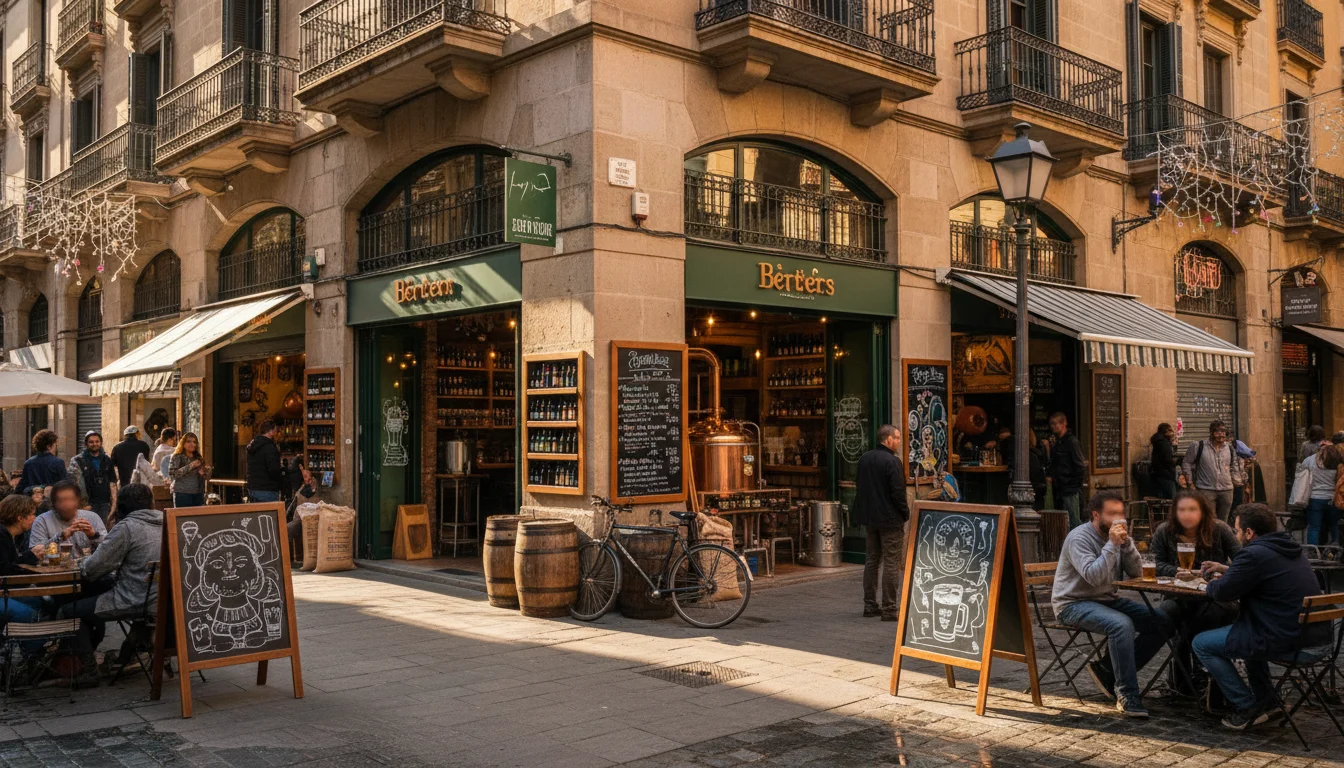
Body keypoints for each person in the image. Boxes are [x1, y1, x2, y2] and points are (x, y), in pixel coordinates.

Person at [1192, 504, 1334, 730]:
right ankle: (1267, 702)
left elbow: (1222, 592)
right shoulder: (1289, 548)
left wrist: (1205, 585)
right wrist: (1226, 568)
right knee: (1248, 638)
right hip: (1318, 638)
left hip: (1292, 642)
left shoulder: (1253, 554)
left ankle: (1246, 706)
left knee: (1201, 644)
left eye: (1237, 530)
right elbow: (1263, 574)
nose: (1236, 535)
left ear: (1249, 533)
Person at [1052, 491, 1168, 718]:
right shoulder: (1079, 538)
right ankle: (1127, 694)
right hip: (1072, 603)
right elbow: (1094, 577)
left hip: (1106, 600)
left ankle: (1107, 670)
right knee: (1121, 625)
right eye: (1112, 514)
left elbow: (1136, 572)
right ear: (1096, 515)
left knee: (1161, 621)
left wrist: (1126, 545)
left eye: (1121, 513)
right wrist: (1112, 545)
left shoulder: (1117, 537)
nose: (1119, 519)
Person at [57, 483, 163, 688]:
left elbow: (93, 569)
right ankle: (128, 656)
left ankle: (88, 671)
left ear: (122, 506)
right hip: (163, 599)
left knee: (68, 611)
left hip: (133, 600)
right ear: (151, 503)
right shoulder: (168, 521)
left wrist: (83, 563)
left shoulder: (127, 527)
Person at [1149, 491, 1240, 696]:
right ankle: (1185, 680)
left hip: (1216, 597)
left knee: (1196, 620)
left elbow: (1242, 560)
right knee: (1167, 614)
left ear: (1202, 511)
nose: (1187, 514)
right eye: (1182, 509)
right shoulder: (1165, 531)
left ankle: (1194, 678)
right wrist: (1176, 571)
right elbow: (1154, 563)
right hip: (1178, 594)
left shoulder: (1219, 529)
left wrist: (1220, 569)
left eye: (1192, 509)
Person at [853, 424, 910, 621]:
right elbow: (898, 493)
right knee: (891, 563)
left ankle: (870, 604)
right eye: (897, 438)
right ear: (888, 439)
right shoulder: (892, 462)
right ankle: (889, 608)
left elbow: (860, 487)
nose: (899, 442)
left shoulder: (865, 459)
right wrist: (905, 513)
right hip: (890, 519)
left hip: (870, 518)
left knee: (872, 561)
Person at [1181, 420, 1245, 522]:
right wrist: (1190, 483)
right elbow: (1186, 463)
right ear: (1211, 433)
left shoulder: (1229, 448)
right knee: (1208, 520)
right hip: (1205, 490)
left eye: (1224, 431)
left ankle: (1220, 538)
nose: (1222, 434)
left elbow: (1234, 466)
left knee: (1223, 521)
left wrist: (1237, 482)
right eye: (1218, 432)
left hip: (1226, 490)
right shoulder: (1199, 446)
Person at [29, 479, 106, 556]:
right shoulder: (42, 520)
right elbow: (36, 553)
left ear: (78, 501)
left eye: (70, 499)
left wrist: (93, 536)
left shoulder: (92, 517)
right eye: (61, 500)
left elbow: (108, 550)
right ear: (54, 502)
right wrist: (61, 536)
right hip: (55, 567)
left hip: (87, 567)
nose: (66, 505)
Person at [0, 494, 43, 624]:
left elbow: (11, 563)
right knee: (26, 613)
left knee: (40, 602)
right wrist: (32, 557)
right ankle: (15, 643)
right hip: (3, 590)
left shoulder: (11, 535)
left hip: (5, 589)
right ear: (20, 518)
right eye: (32, 514)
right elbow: (5, 570)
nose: (34, 518)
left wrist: (31, 554)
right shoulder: (1, 535)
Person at [69, 431, 119, 523]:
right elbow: (74, 484)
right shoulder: (77, 461)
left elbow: (113, 483)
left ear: (101, 443)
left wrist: (113, 506)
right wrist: (81, 505)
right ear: (86, 444)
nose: (94, 444)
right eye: (91, 442)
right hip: (87, 505)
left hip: (105, 504)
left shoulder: (107, 460)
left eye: (97, 441)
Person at [1047, 413, 1087, 527]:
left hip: (1070, 489)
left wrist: (1074, 485)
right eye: (1052, 424)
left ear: (1064, 423)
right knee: (1064, 522)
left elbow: (1080, 465)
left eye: (1057, 423)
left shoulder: (1071, 442)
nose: (1054, 427)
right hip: (1060, 488)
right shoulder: (1057, 443)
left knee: (1074, 521)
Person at [1299, 439, 1340, 546]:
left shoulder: (1309, 460)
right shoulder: (1337, 461)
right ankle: (1336, 548)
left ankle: (1313, 551)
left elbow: (1300, 477)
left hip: (1315, 498)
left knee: (1314, 527)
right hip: (1333, 498)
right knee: (1334, 525)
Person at [245, 420, 286, 503]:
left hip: (253, 488)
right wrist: (282, 477)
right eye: (275, 429)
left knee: (256, 515)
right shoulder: (269, 447)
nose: (275, 432)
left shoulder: (253, 445)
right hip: (267, 489)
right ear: (270, 431)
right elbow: (273, 470)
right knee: (268, 516)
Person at [168, 432, 210, 508]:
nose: (192, 444)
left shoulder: (198, 457)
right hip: (182, 494)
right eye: (188, 441)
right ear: (183, 443)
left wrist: (204, 472)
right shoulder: (177, 456)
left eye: (194, 442)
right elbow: (173, 474)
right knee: (183, 519)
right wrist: (190, 466)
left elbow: (205, 477)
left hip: (198, 494)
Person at [17, 429, 66, 494]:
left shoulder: (28, 463)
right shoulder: (58, 462)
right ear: (49, 446)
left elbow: (22, 485)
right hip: (50, 499)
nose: (56, 447)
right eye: (55, 444)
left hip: (33, 499)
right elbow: (64, 484)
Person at [1149, 423, 1182, 500]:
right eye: (1170, 430)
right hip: (1166, 474)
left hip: (1158, 474)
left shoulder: (1158, 441)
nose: (1172, 432)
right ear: (1165, 431)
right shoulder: (1164, 443)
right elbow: (1167, 459)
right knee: (1172, 498)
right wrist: (1176, 462)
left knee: (1162, 498)